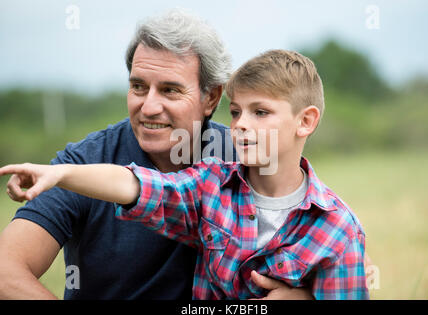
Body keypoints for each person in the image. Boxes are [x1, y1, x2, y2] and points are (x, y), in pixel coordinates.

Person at [1, 50, 369, 299]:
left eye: (260, 112)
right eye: (237, 112)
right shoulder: (211, 185)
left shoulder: (337, 229)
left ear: (306, 121)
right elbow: (137, 186)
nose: (240, 125)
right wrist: (61, 172)